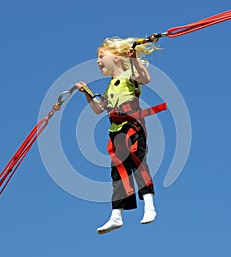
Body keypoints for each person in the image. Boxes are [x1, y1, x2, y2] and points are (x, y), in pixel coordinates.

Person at [75, 37, 160, 234]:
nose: (98, 61)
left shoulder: (131, 73)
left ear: (116, 57)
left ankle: (149, 206)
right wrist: (86, 92)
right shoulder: (111, 85)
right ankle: (116, 215)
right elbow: (99, 109)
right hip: (115, 131)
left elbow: (145, 79)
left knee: (138, 163)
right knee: (118, 172)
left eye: (101, 56)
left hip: (132, 126)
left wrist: (135, 59)